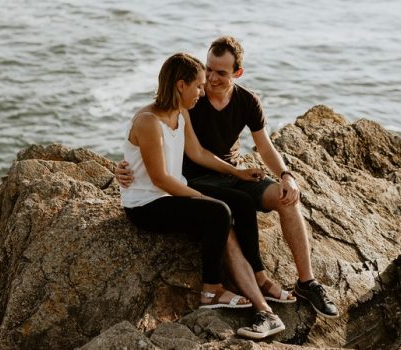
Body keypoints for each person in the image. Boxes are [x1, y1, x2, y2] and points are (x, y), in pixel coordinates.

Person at [117, 37, 339, 319]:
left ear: (237, 73)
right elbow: (148, 137)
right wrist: (124, 168)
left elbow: (262, 146)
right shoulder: (186, 102)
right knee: (223, 214)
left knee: (285, 199)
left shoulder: (244, 101)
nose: (209, 80)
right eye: (207, 71)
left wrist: (284, 175)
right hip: (192, 181)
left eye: (220, 73)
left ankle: (306, 283)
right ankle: (239, 294)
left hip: (228, 174)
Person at [121, 52, 285, 339]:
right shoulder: (148, 121)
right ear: (180, 85)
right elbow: (160, 179)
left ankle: (258, 275)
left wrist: (238, 173)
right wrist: (200, 198)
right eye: (197, 85)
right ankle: (211, 290)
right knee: (219, 212)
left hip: (172, 190)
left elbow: (197, 153)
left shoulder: (180, 112)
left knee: (243, 203)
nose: (203, 89)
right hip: (146, 203)